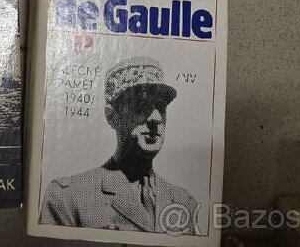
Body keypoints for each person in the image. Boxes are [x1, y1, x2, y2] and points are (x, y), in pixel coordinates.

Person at [40, 58, 199, 232]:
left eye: (161, 107)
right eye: (142, 104)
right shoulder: (68, 197)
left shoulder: (183, 203)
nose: (156, 118)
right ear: (112, 116)